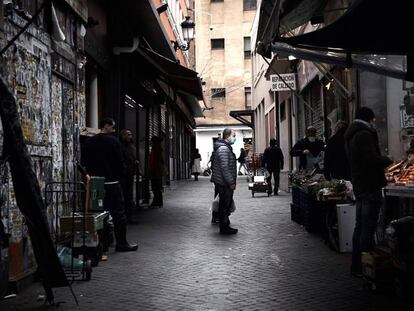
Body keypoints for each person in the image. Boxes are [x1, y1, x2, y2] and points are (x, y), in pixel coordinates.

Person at [344, 107, 392, 276]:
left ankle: (357, 265)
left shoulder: (352, 134)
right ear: (369, 119)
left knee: (360, 225)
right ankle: (365, 266)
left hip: (360, 185)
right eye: (373, 120)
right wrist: (387, 160)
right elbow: (370, 160)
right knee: (368, 226)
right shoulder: (364, 134)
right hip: (370, 185)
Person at [82, 118, 138, 252]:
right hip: (112, 183)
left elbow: (84, 162)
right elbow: (120, 162)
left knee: (97, 213)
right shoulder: (114, 142)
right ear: (106, 126)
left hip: (95, 183)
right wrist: (121, 174)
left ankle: (99, 245)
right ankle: (121, 243)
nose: (113, 131)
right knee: (119, 213)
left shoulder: (89, 142)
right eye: (112, 128)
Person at [211, 128, 238, 234]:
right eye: (234, 135)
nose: (235, 138)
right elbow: (224, 168)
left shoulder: (225, 148)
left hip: (222, 182)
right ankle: (224, 227)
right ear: (228, 136)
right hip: (224, 183)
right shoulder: (224, 149)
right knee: (224, 205)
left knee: (225, 205)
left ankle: (225, 225)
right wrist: (231, 182)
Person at [120, 129, 138, 224]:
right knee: (124, 196)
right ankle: (125, 217)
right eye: (128, 135)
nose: (130, 136)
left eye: (130, 135)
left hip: (130, 174)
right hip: (123, 175)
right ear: (123, 136)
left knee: (129, 196)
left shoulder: (131, 146)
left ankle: (129, 216)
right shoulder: (121, 146)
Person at [148, 136, 167, 208]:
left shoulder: (155, 149)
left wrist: (150, 169)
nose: (150, 142)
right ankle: (159, 202)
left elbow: (153, 161)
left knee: (155, 187)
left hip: (155, 171)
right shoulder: (159, 149)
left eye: (151, 141)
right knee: (158, 187)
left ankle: (156, 202)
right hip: (158, 171)